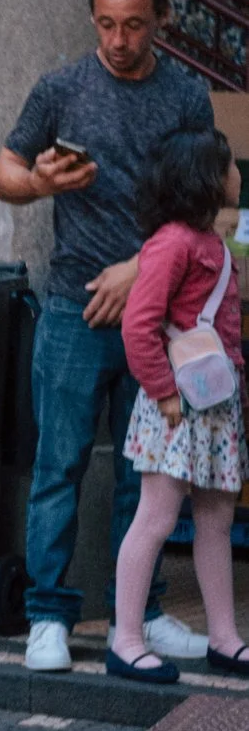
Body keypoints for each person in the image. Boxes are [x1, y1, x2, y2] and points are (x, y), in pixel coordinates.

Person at [0, 0, 216, 674]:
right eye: (107, 24)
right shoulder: (60, 87)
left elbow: (206, 199)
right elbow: (2, 173)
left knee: (144, 477)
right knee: (56, 466)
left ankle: (139, 614)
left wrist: (140, 269)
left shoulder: (185, 95)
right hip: (74, 307)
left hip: (161, 313)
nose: (119, 40)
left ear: (162, 20)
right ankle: (47, 616)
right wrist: (36, 183)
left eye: (135, 25)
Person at [110, 127, 249, 684]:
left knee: (215, 520)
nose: (237, 173)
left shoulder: (209, 241)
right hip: (176, 406)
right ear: (206, 178)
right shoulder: (175, 243)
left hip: (212, 408)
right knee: (156, 518)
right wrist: (164, 391)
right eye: (229, 164)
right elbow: (138, 324)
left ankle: (224, 638)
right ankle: (125, 640)